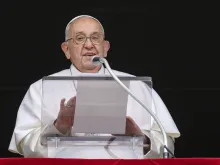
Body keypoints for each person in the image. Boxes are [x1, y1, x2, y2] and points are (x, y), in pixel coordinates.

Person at [8, 15, 180, 158]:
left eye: (95, 37)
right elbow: (25, 146)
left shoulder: (138, 87)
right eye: (80, 38)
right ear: (66, 49)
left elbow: (167, 147)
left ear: (105, 48)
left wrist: (141, 138)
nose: (89, 45)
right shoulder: (40, 89)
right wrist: (58, 127)